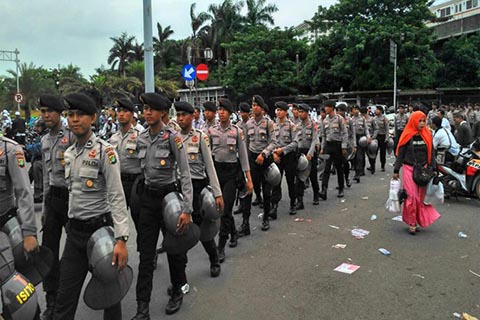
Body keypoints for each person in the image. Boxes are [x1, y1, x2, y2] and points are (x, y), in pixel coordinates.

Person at [53, 93, 129, 320]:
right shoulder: (68, 153)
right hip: (75, 234)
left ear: (93, 118)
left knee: (110, 295)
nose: (74, 119)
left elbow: (117, 196)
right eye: (71, 115)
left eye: (80, 115)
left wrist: (121, 239)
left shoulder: (106, 152)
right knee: (64, 297)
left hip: (101, 232)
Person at [132, 93, 193, 318]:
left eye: (152, 109)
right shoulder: (141, 138)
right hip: (148, 200)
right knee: (146, 255)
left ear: (163, 114)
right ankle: (142, 308)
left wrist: (187, 209)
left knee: (174, 250)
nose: (147, 113)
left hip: (169, 199)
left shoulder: (172, 138)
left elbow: (185, 174)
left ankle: (177, 291)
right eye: (145, 108)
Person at [174, 101, 223, 277]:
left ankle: (214, 258)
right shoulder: (174, 137)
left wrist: (217, 193)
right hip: (180, 187)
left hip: (198, 187)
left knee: (203, 230)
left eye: (184, 115)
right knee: (181, 230)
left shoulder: (200, 137)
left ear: (192, 116)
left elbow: (210, 167)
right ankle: (180, 275)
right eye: (178, 115)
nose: (180, 119)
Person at [38, 94, 75, 320]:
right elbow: (45, 177)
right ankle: (52, 301)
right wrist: (44, 208)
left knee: (79, 251)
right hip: (53, 199)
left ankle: (103, 285)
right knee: (48, 252)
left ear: (59, 113)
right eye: (42, 111)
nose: (45, 115)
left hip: (73, 199)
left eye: (49, 111)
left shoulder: (71, 136)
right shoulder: (44, 141)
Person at [209, 99, 252, 257]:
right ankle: (233, 232)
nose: (221, 112)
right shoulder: (212, 131)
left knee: (225, 209)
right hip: (216, 172)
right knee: (221, 209)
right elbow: (208, 155)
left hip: (231, 174)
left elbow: (244, 156)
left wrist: (249, 179)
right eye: (219, 109)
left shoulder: (236, 132)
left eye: (224, 110)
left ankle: (221, 247)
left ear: (230, 113)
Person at [393, 111, 440, 235]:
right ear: (414, 121)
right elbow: (401, 154)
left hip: (423, 170)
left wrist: (434, 169)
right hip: (409, 169)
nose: (422, 123)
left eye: (424, 121)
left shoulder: (427, 134)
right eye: (419, 121)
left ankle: (416, 219)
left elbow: (431, 153)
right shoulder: (407, 135)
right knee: (411, 197)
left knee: (419, 198)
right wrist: (396, 170)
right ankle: (412, 223)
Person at [109, 98, 142, 231]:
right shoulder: (114, 138)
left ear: (132, 114)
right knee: (115, 219)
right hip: (119, 181)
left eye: (125, 111)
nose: (121, 114)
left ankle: (145, 250)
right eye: (119, 111)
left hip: (136, 183)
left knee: (139, 218)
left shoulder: (140, 136)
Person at [245, 95, 277, 231]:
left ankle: (265, 219)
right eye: (253, 105)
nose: (255, 107)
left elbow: (273, 142)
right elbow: (246, 144)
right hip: (252, 159)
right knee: (251, 189)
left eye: (257, 105)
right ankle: (245, 223)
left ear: (262, 108)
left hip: (265, 159)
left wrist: (264, 154)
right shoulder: (248, 124)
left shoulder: (269, 123)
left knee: (267, 190)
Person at [271, 101, 298, 216]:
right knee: (276, 181)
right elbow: (270, 142)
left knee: (290, 181)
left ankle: (293, 203)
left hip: (289, 156)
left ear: (286, 112)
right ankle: (274, 206)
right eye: (277, 110)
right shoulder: (273, 125)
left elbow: (295, 143)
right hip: (277, 156)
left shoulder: (291, 126)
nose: (278, 112)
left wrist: (283, 150)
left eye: (281, 110)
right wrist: (274, 153)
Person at [319, 100, 348, 199]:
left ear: (332, 108)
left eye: (327, 107)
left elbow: (344, 133)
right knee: (326, 168)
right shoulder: (324, 120)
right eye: (325, 107)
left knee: (339, 168)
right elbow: (323, 135)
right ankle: (323, 190)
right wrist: (322, 148)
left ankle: (341, 188)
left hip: (337, 145)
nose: (326, 108)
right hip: (328, 145)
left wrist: (344, 146)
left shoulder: (339, 119)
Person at [295, 103, 319, 207]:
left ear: (307, 113)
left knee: (313, 175)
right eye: (299, 112)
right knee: (299, 177)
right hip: (300, 152)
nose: (300, 114)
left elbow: (315, 139)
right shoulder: (297, 125)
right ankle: (300, 200)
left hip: (310, 152)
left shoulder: (313, 124)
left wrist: (311, 152)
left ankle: (316, 196)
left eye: (302, 112)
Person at [233, 102, 252, 217]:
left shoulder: (251, 124)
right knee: (240, 183)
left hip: (250, 156)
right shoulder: (238, 125)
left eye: (244, 112)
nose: (242, 114)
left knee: (249, 182)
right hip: (239, 157)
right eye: (241, 112)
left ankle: (248, 204)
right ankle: (241, 204)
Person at [336, 103, 356, 188]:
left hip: (347, 145)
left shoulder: (349, 120)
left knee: (345, 163)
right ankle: (341, 183)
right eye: (338, 110)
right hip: (337, 145)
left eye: (341, 110)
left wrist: (354, 145)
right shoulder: (335, 120)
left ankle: (347, 178)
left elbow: (353, 133)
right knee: (338, 165)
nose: (339, 112)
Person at [351, 105, 370, 182]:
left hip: (361, 138)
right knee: (354, 157)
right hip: (352, 139)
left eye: (357, 109)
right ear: (352, 111)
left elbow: (366, 129)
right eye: (354, 109)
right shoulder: (350, 120)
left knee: (360, 156)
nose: (356, 111)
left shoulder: (362, 119)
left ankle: (359, 172)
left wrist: (368, 137)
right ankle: (357, 170)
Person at [372, 105, 390, 172]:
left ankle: (383, 165)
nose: (376, 110)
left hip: (383, 136)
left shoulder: (384, 118)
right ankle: (372, 165)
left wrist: (387, 138)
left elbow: (387, 129)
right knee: (374, 151)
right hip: (376, 137)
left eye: (377, 109)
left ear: (381, 111)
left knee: (382, 153)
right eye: (376, 109)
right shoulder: (374, 118)